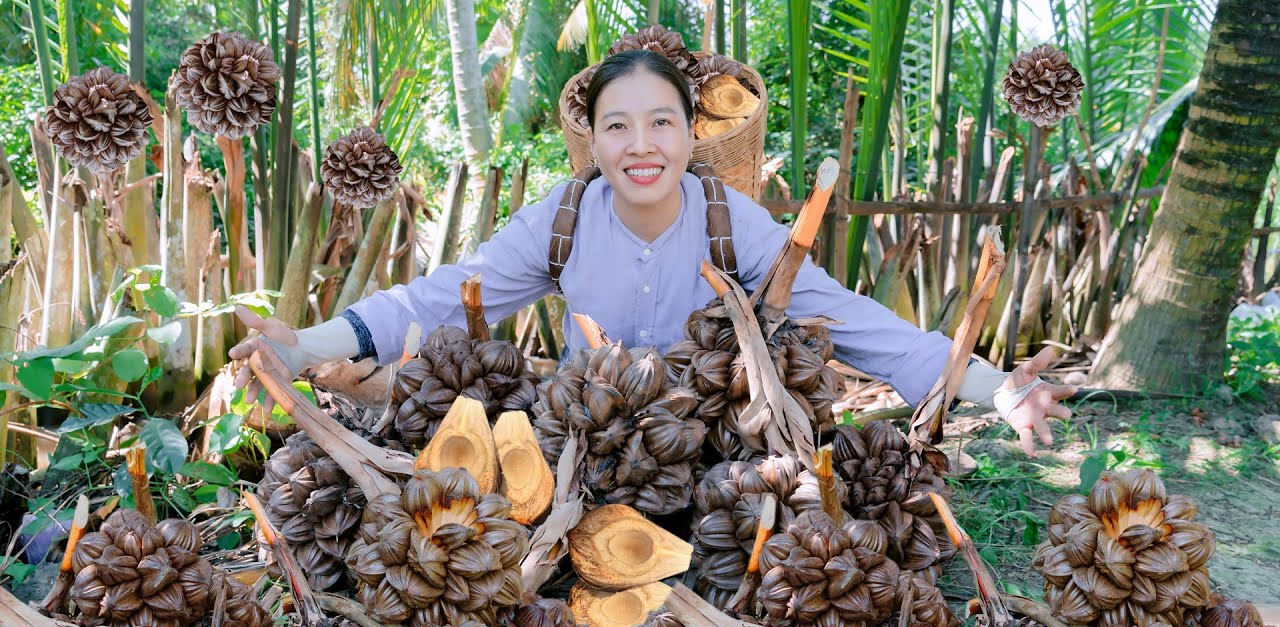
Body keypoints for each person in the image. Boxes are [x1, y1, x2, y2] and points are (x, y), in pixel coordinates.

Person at [231, 49, 1076, 455]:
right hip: (578, 441)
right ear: (593, 141)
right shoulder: (560, 219)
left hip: (705, 446)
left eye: (662, 122)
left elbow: (854, 324)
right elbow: (436, 298)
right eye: (619, 125)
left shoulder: (730, 221)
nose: (642, 144)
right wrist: (304, 347)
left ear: (688, 135)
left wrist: (995, 390)